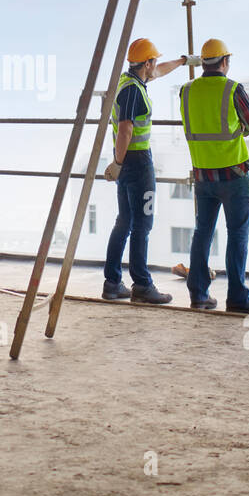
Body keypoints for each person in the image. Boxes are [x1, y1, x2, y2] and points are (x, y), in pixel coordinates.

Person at [177, 39, 249, 313]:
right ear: (224, 62)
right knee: (237, 234)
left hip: (202, 175)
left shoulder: (186, 90)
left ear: (204, 62)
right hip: (233, 173)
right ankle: (237, 297)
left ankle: (199, 294)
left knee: (202, 232)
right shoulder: (232, 88)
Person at [102, 38, 187, 304]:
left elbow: (161, 71)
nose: (157, 66)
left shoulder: (132, 82)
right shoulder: (133, 91)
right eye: (154, 61)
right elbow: (125, 130)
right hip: (137, 163)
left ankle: (113, 283)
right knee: (142, 223)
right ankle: (142, 284)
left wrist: (184, 61)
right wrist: (117, 163)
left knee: (125, 221)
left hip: (129, 162)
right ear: (146, 63)